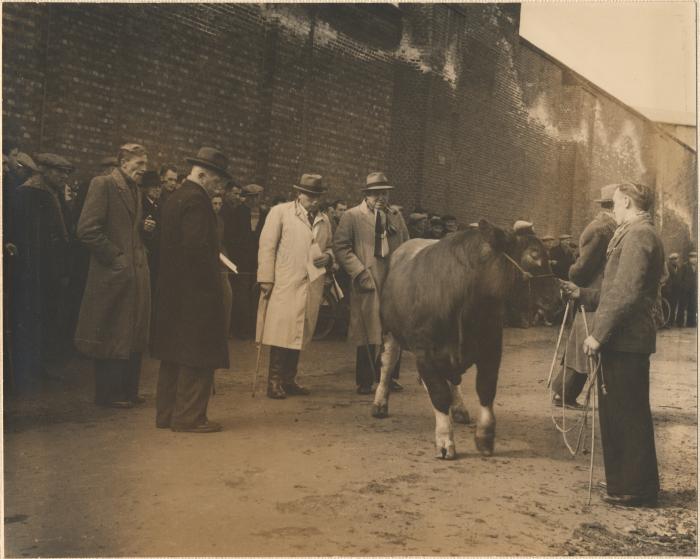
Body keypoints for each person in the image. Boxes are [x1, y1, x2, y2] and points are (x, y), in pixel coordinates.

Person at [562, 182, 663, 507]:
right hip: (623, 340)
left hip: (626, 341)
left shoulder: (638, 235)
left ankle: (634, 488)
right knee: (617, 412)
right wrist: (585, 296)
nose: (613, 211)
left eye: (617, 204)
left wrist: (597, 334)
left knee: (627, 413)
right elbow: (612, 291)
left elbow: (626, 292)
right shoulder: (635, 233)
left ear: (629, 203)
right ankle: (624, 482)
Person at [152, 147, 231, 433]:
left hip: (172, 291)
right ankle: (189, 417)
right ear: (202, 175)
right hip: (196, 294)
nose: (219, 186)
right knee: (198, 355)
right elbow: (196, 249)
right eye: (217, 180)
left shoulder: (174, 198)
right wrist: (209, 285)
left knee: (173, 353)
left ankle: (167, 414)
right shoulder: (198, 202)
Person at [74, 144, 151, 408]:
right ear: (123, 162)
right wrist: (116, 257)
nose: (144, 169)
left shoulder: (136, 191)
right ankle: (108, 395)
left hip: (135, 275)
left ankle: (128, 391)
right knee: (111, 332)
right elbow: (86, 230)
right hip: (113, 275)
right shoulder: (103, 184)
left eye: (145, 164)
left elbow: (129, 229)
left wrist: (144, 229)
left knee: (132, 332)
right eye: (139, 163)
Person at [257, 174, 334, 399]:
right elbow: (267, 247)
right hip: (285, 281)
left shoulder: (324, 219)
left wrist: (328, 257)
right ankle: (273, 382)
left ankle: (289, 380)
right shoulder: (281, 213)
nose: (313, 200)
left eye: (317, 196)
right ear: (298, 194)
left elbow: (329, 246)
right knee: (281, 331)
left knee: (299, 331)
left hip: (311, 282)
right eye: (309, 195)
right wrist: (266, 278)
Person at [333, 172, 410, 394]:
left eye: (384, 194)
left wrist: (403, 273)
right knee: (368, 328)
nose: (381, 198)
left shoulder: (395, 216)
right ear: (367, 195)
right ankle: (365, 380)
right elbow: (341, 247)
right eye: (376, 194)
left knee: (394, 327)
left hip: (393, 278)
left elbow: (405, 244)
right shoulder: (352, 216)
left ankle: (389, 377)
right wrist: (359, 271)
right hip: (368, 276)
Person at [12, 153, 75, 388]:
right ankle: (25, 371)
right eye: (59, 172)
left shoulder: (51, 194)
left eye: (66, 172)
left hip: (49, 267)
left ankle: (37, 366)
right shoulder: (30, 194)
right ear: (44, 171)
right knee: (31, 316)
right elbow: (31, 237)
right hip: (34, 268)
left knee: (44, 316)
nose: (63, 176)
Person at [552, 184, 617, 408]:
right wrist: (575, 278)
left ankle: (563, 393)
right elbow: (582, 267)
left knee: (582, 345)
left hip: (594, 294)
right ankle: (563, 394)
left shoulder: (606, 227)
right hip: (591, 295)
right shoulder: (602, 229)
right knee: (583, 346)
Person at [227, 183, 265, 339]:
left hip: (257, 260)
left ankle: (251, 328)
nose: (255, 200)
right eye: (252, 197)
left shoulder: (264, 214)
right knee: (241, 293)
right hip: (242, 260)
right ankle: (240, 329)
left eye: (257, 197)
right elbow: (231, 236)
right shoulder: (238, 212)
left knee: (254, 293)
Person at [212, 192, 233, 340]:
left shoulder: (220, 221)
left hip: (221, 263)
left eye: (220, 204)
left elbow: (222, 243)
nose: (218, 207)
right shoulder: (205, 220)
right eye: (215, 203)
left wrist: (226, 259)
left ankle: (222, 333)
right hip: (209, 264)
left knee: (227, 295)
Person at [140, 170, 161, 301]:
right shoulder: (142, 205)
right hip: (146, 253)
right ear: (146, 188)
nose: (158, 190)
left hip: (156, 254)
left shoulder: (158, 205)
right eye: (154, 187)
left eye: (159, 186)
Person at [662, 253, 682, 326]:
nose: (676, 260)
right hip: (669, 290)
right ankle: (667, 322)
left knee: (674, 306)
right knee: (668, 306)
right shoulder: (667, 267)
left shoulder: (678, 268)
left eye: (677, 259)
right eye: (674, 259)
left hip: (676, 290)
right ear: (671, 260)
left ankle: (672, 322)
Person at [679, 251, 697, 327]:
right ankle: (679, 322)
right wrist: (683, 286)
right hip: (685, 290)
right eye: (693, 258)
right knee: (682, 306)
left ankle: (691, 323)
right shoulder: (684, 266)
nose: (695, 259)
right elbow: (680, 278)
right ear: (689, 258)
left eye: (696, 258)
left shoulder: (697, 267)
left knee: (692, 305)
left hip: (693, 290)